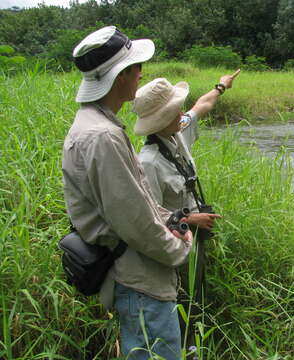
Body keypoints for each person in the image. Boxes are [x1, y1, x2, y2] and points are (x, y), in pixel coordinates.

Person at [62, 26, 193, 360]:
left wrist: (170, 218)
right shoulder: (102, 137)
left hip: (135, 277)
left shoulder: (96, 126)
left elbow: (139, 200)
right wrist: (178, 248)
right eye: (136, 67)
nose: (141, 73)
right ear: (120, 76)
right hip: (140, 282)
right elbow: (133, 220)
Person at [132, 70, 240, 353]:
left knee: (197, 289)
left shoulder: (176, 134)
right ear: (162, 119)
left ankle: (196, 339)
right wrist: (191, 219)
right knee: (182, 295)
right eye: (175, 108)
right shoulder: (149, 162)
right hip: (176, 241)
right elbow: (151, 216)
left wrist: (221, 85)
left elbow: (201, 105)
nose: (182, 111)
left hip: (196, 231)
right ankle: (187, 347)